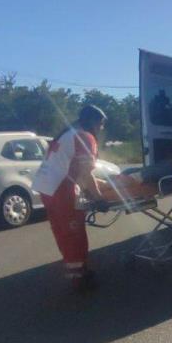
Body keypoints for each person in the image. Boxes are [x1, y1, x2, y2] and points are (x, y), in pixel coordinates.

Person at [31, 105, 106, 291]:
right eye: (102, 124)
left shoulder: (68, 134)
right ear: (94, 122)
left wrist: (94, 186)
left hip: (46, 188)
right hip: (62, 189)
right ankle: (80, 279)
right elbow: (86, 173)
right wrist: (99, 198)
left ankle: (74, 270)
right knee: (75, 233)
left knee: (63, 232)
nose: (101, 129)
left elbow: (77, 170)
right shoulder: (85, 137)